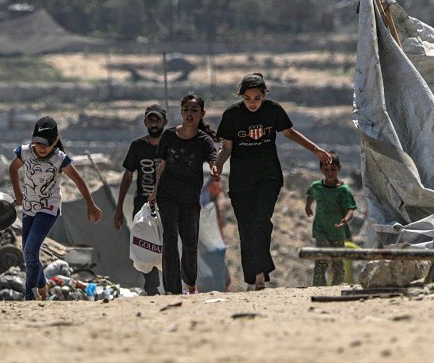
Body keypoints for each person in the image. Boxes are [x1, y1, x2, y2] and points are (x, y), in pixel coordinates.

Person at [215, 73, 331, 291]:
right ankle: (255, 276)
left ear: (264, 95)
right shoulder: (232, 115)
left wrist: (315, 150)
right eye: (248, 98)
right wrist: (218, 164)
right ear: (242, 97)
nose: (252, 103)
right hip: (241, 181)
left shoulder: (273, 110)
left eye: (257, 98)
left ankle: (259, 278)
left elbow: (289, 132)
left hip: (268, 176)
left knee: (261, 221)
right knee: (246, 228)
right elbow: (227, 148)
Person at [8, 116, 102, 301]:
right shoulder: (26, 152)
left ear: (56, 141)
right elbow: (13, 169)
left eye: (46, 144)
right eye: (38, 143)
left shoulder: (60, 159)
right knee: (29, 253)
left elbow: (78, 181)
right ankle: (43, 285)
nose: (42, 148)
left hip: (48, 208)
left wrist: (91, 204)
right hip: (29, 208)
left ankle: (30, 294)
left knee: (30, 250)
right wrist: (18, 193)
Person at [149, 94, 219, 295]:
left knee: (189, 242)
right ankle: (172, 289)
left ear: (202, 114)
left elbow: (213, 161)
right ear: (181, 112)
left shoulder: (204, 141)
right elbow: (161, 164)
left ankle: (190, 284)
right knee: (170, 240)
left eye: (194, 110)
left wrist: (215, 172)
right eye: (186, 110)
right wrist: (155, 190)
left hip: (190, 198)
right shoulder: (169, 136)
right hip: (167, 195)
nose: (190, 114)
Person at [113, 103, 168, 296]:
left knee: (167, 243)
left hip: (167, 204)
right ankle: (151, 289)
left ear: (164, 122)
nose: (154, 124)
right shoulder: (137, 146)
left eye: (157, 120)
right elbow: (128, 175)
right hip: (142, 206)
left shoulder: (170, 144)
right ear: (145, 122)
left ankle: (170, 286)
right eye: (150, 120)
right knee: (145, 244)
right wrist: (119, 208)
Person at [305, 152, 357, 286]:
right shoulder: (317, 186)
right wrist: (308, 206)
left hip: (338, 232)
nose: (330, 173)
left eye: (333, 169)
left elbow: (350, 208)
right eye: (326, 169)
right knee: (321, 260)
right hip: (321, 229)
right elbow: (311, 195)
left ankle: (336, 288)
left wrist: (345, 219)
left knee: (338, 262)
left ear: (339, 168)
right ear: (321, 169)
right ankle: (318, 287)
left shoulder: (343, 190)